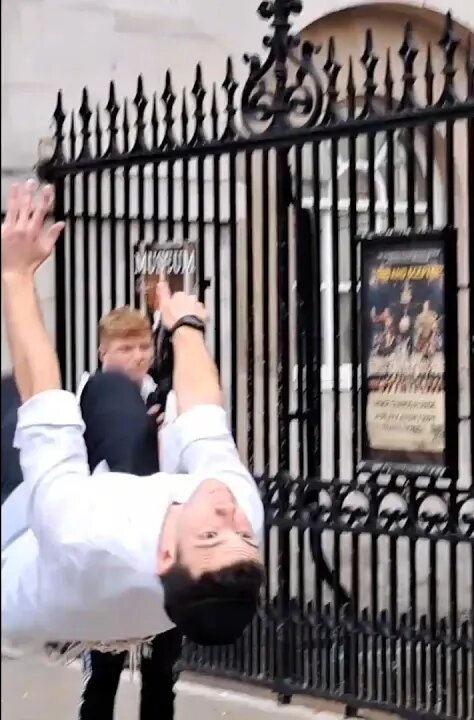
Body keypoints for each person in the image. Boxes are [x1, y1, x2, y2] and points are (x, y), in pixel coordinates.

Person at [0, 179, 266, 661]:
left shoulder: (85, 534)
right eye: (243, 534)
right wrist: (183, 320)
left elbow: (43, 401)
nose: (229, 513)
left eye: (210, 533)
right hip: (106, 559)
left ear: (164, 556)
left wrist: (17, 274)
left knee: (12, 407)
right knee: (112, 390)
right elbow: (207, 415)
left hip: (15, 545)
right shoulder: (238, 521)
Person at [75, 307, 182, 720]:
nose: (138, 356)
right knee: (103, 677)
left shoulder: (163, 398)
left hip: (160, 551)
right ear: (103, 351)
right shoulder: (89, 400)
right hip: (111, 555)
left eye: (143, 346)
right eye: (125, 348)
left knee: (161, 676)